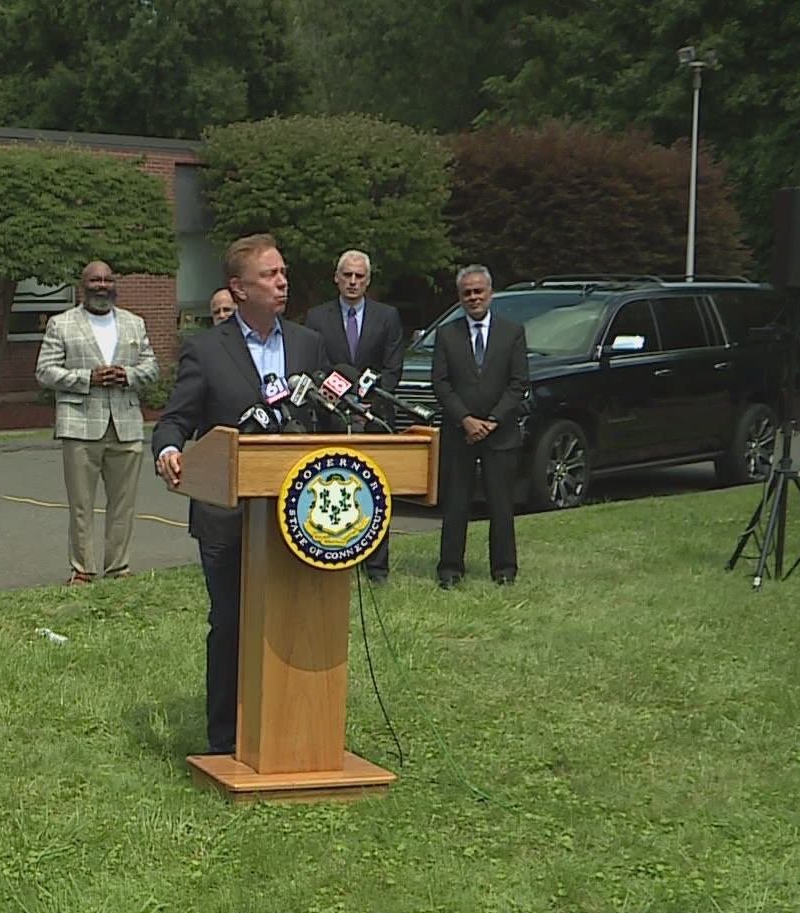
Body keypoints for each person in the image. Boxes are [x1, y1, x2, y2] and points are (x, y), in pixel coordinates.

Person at [152, 234, 329, 757]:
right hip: (227, 516)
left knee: (294, 619)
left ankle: (292, 726)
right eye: (270, 275)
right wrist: (168, 451)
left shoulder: (307, 343)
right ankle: (225, 739)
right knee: (231, 623)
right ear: (239, 288)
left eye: (283, 272)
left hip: (297, 513)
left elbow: (322, 418)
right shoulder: (206, 349)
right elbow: (177, 420)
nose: (282, 282)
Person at [35, 260, 160, 584]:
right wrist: (86, 378)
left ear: (114, 284)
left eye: (107, 280)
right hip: (80, 424)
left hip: (126, 424)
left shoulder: (135, 323)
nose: (101, 285)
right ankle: (82, 569)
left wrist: (127, 375)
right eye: (94, 280)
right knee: (81, 505)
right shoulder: (61, 324)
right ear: (82, 285)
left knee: (123, 504)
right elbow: (45, 371)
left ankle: (119, 567)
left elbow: (152, 368)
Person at [304, 249, 407, 584]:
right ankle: (334, 559)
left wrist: (367, 402)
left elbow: (393, 369)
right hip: (332, 416)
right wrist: (342, 401)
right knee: (334, 489)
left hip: (375, 418)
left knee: (375, 489)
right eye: (346, 275)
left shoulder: (387, 316)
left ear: (368, 280)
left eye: (359, 276)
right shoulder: (317, 318)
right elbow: (314, 367)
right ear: (336, 277)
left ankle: (376, 568)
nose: (352, 282)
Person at [431, 264, 529, 589]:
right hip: (460, 433)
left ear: (490, 293)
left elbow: (518, 383)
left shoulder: (512, 332)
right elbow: (441, 383)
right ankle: (449, 570)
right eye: (467, 293)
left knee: (501, 506)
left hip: (500, 434)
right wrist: (466, 420)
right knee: (456, 505)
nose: (473, 298)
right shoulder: (447, 334)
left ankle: (504, 570)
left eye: (478, 291)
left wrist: (493, 421)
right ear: (460, 297)